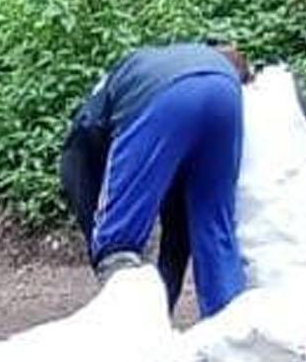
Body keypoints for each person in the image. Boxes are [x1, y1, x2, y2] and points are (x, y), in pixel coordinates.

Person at [58, 40, 252, 318]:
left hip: (161, 95)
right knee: (214, 229)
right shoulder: (198, 60)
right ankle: (231, 333)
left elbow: (77, 171)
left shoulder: (85, 137)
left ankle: (129, 334)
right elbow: (178, 230)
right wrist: (164, 309)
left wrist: (104, 247)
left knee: (117, 243)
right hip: (225, 91)